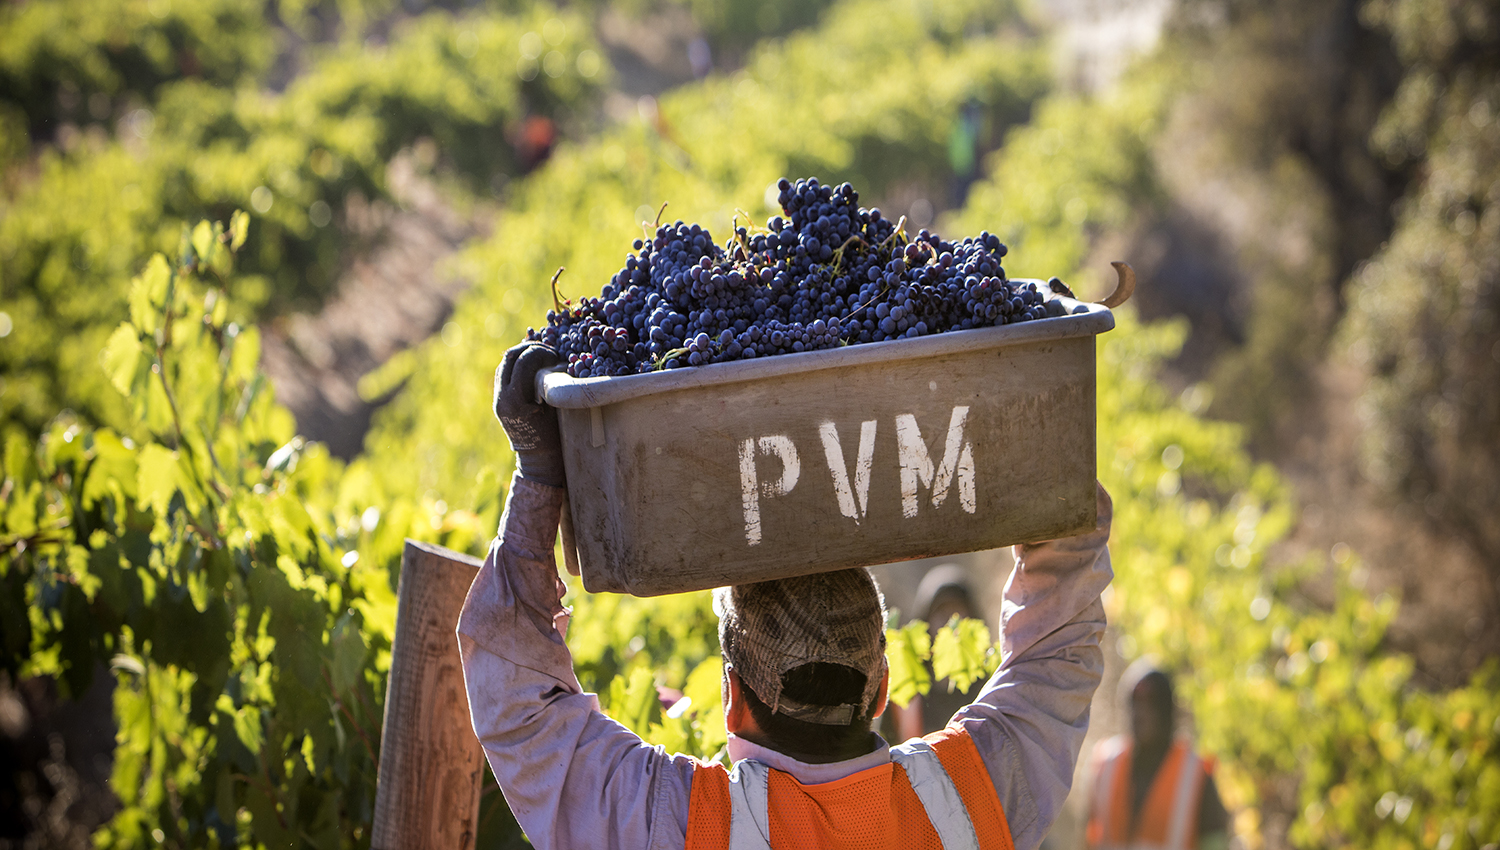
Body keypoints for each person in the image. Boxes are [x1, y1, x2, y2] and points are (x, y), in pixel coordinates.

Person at [459, 341, 1116, 849]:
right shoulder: (971, 798)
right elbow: (1060, 650)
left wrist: (538, 473)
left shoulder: (682, 825)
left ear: (732, 700)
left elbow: (517, 707)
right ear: (880, 689)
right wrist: (1041, 425)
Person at [1084, 662, 1231, 850]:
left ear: (1166, 710)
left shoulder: (1195, 775)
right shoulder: (1104, 764)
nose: (1140, 714)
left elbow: (1215, 843)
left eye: (1151, 703)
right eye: (1135, 702)